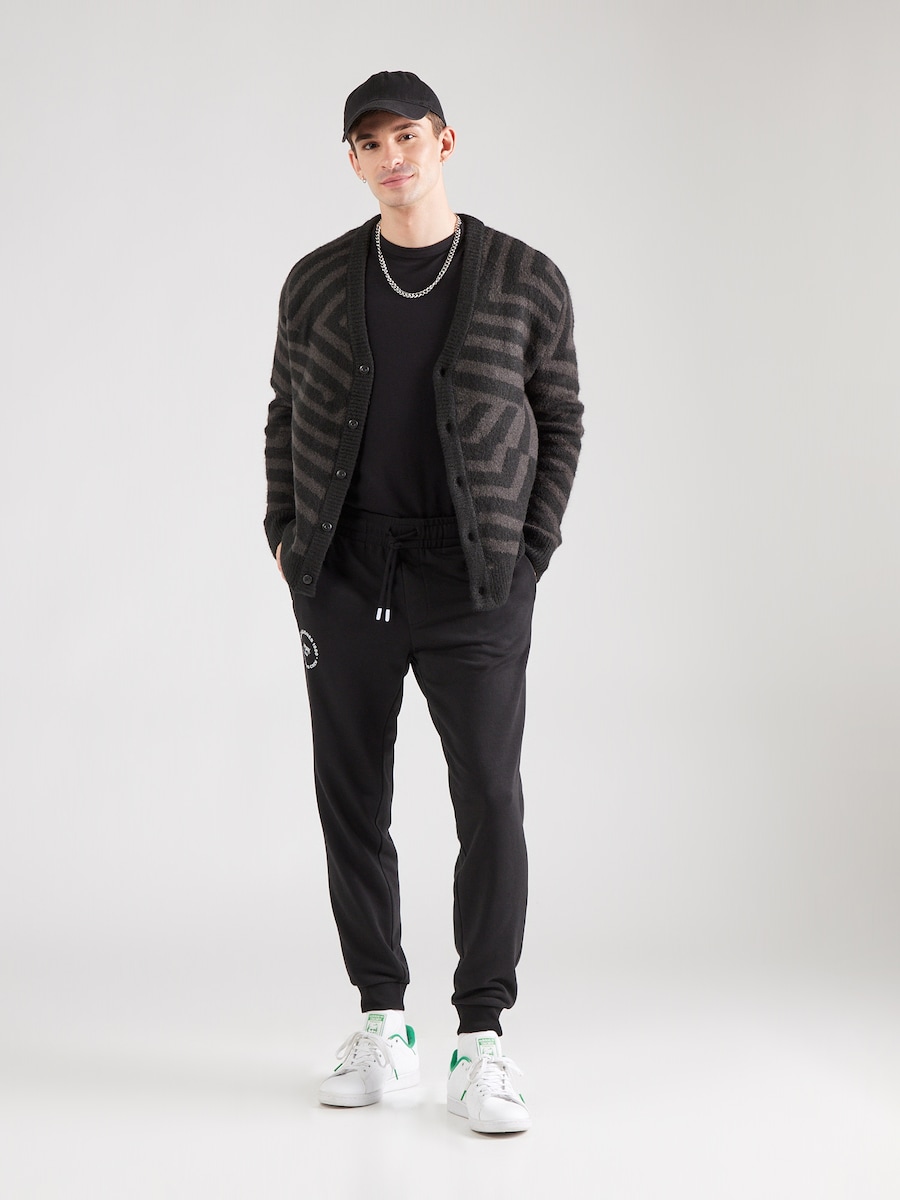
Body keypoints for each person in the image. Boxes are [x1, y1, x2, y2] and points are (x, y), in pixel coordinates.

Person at [264, 70, 582, 1135]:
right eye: (370, 144)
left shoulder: (525, 276)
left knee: (488, 796)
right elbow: (284, 410)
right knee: (351, 797)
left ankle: (481, 1037)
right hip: (346, 570)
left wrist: (528, 550)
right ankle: (382, 1020)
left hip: (475, 574)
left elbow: (561, 417)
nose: (391, 157)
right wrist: (286, 536)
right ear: (352, 162)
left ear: (445, 141)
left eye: (407, 136)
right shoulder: (316, 281)